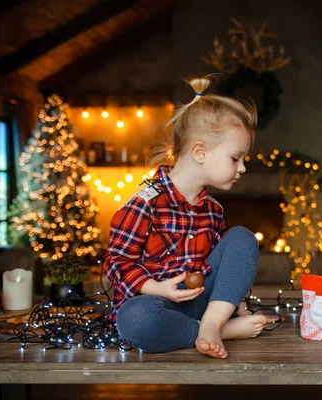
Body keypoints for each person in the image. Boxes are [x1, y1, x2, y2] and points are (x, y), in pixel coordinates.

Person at [103, 74, 276, 359]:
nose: (242, 168)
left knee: (242, 238)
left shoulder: (214, 210)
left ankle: (214, 321)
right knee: (133, 319)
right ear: (200, 152)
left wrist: (237, 300)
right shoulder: (144, 204)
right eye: (236, 158)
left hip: (203, 302)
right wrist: (157, 288)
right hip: (160, 306)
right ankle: (215, 330)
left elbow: (227, 268)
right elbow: (117, 263)